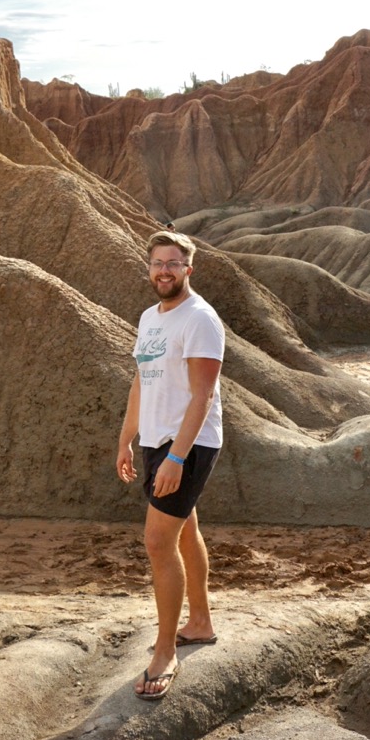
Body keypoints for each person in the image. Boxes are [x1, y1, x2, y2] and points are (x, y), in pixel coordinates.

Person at [116, 230, 225, 700]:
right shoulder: (149, 318)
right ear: (149, 269)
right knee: (183, 531)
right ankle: (199, 623)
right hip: (156, 439)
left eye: (173, 263)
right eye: (158, 263)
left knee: (158, 541)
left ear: (188, 269)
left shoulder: (200, 319)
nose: (164, 271)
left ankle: (165, 652)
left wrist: (177, 457)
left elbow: (203, 395)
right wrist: (126, 440)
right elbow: (142, 382)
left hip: (190, 443)